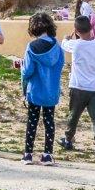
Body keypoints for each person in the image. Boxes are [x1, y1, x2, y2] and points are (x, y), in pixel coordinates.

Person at [60, 16, 95, 158]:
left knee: (74, 115)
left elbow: (64, 45)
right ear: (91, 28)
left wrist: (66, 38)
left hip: (78, 86)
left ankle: (68, 140)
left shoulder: (75, 44)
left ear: (77, 31)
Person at [20, 12, 64, 165]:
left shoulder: (31, 47)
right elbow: (59, 66)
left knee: (32, 121)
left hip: (35, 91)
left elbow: (27, 71)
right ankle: (47, 155)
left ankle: (28, 154)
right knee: (49, 121)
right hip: (51, 91)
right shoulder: (57, 46)